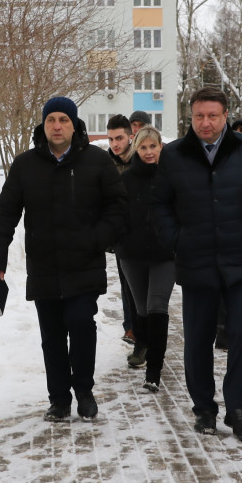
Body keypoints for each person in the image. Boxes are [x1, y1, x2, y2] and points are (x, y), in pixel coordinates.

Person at [151, 86, 242, 444]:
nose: (205, 123)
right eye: (198, 116)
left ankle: (238, 410)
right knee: (197, 339)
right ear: (189, 117)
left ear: (225, 115)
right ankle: (204, 409)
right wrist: (177, 240)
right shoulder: (174, 155)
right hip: (196, 263)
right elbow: (159, 205)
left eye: (212, 116)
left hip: (241, 260)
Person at [0, 97, 127, 423]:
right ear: (44, 124)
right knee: (51, 335)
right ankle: (59, 399)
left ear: (74, 124)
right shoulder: (26, 165)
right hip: (44, 265)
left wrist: (96, 239)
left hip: (84, 263)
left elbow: (118, 208)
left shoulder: (97, 161)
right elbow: (5, 214)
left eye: (64, 119)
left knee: (81, 324)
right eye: (52, 120)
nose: (57, 125)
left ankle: (85, 391)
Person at [115, 126, 175, 392]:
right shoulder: (126, 180)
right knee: (140, 308)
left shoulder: (172, 177)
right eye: (143, 147)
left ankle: (154, 370)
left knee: (157, 306)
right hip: (133, 254)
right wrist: (118, 240)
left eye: (153, 146)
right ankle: (141, 344)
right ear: (136, 150)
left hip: (164, 254)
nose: (149, 152)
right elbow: (116, 214)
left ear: (161, 146)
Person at [106, 114, 138, 350]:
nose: (115, 144)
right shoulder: (107, 165)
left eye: (119, 138)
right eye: (110, 139)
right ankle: (131, 329)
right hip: (122, 237)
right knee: (127, 284)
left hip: (146, 234)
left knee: (144, 289)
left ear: (130, 137)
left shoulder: (142, 159)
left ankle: (145, 332)